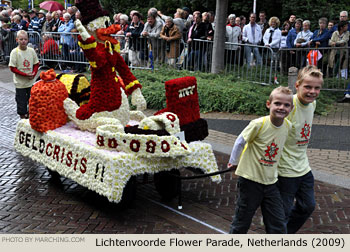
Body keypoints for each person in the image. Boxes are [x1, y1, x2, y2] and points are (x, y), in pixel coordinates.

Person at [228, 86, 293, 234]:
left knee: (277, 222)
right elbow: (240, 142)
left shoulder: (288, 126)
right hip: (251, 181)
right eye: (277, 103)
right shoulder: (259, 124)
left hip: (270, 182)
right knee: (242, 220)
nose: (281, 107)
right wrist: (234, 161)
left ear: (291, 108)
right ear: (268, 104)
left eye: (286, 105)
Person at [278, 65, 323, 234]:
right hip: (285, 170)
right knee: (282, 212)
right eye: (308, 87)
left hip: (303, 167)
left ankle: (284, 234)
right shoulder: (288, 106)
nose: (312, 91)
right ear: (297, 86)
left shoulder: (313, 104)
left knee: (308, 205)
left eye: (317, 88)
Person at [9, 30, 39, 119]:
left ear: (28, 40)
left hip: (30, 82)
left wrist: (34, 73)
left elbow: (36, 63)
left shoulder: (31, 50)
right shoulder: (15, 52)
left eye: (25, 39)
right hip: (20, 84)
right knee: (21, 102)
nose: (23, 41)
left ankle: (30, 117)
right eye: (21, 39)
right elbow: (12, 68)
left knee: (32, 101)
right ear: (17, 40)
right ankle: (22, 118)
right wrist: (25, 75)